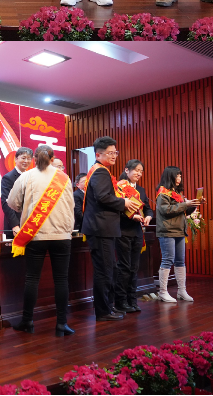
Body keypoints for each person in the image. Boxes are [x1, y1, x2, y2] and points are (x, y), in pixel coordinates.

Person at [5, 145, 76, 336]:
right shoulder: (64, 178)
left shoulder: (26, 176)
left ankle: (27, 321)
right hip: (62, 235)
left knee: (32, 279)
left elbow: (12, 203)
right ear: (53, 159)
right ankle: (62, 324)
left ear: (34, 158)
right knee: (61, 279)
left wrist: (26, 207)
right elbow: (71, 206)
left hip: (35, 235)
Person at [82, 136, 133, 322]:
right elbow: (103, 197)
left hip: (101, 228)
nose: (114, 156)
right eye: (110, 153)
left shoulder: (99, 170)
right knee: (105, 270)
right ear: (98, 155)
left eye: (115, 152)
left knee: (109, 268)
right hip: (101, 228)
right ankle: (103, 311)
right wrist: (123, 202)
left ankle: (107, 307)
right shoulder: (101, 172)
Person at [154, 165, 204, 303]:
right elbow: (166, 210)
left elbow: (183, 211)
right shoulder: (163, 193)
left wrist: (194, 204)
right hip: (167, 231)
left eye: (180, 175)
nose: (179, 178)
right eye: (177, 175)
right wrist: (185, 204)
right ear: (170, 176)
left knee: (180, 261)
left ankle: (182, 291)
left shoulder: (177, 193)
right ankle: (163, 292)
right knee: (167, 260)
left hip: (179, 230)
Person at [114, 159, 152, 314]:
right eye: (136, 170)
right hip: (123, 232)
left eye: (141, 171)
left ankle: (132, 300)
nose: (139, 173)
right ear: (126, 170)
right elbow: (116, 210)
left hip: (137, 232)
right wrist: (131, 216)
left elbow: (148, 208)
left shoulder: (141, 190)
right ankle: (121, 302)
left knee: (134, 268)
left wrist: (148, 216)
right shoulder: (119, 188)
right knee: (124, 267)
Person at [0, 147, 33, 235]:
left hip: (29, 224)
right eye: (23, 158)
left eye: (29, 158)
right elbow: (6, 203)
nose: (26, 161)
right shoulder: (8, 177)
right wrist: (15, 225)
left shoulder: (31, 177)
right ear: (16, 159)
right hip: (15, 226)